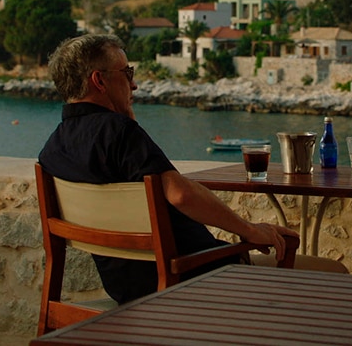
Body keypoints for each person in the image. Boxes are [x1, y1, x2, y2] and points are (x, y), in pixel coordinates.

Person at [39, 33, 301, 304]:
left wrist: (128, 122)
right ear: (99, 80)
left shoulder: (53, 149)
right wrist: (249, 229)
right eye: (127, 73)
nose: (135, 84)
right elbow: (180, 194)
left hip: (127, 289)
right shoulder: (120, 135)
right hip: (193, 278)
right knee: (330, 274)